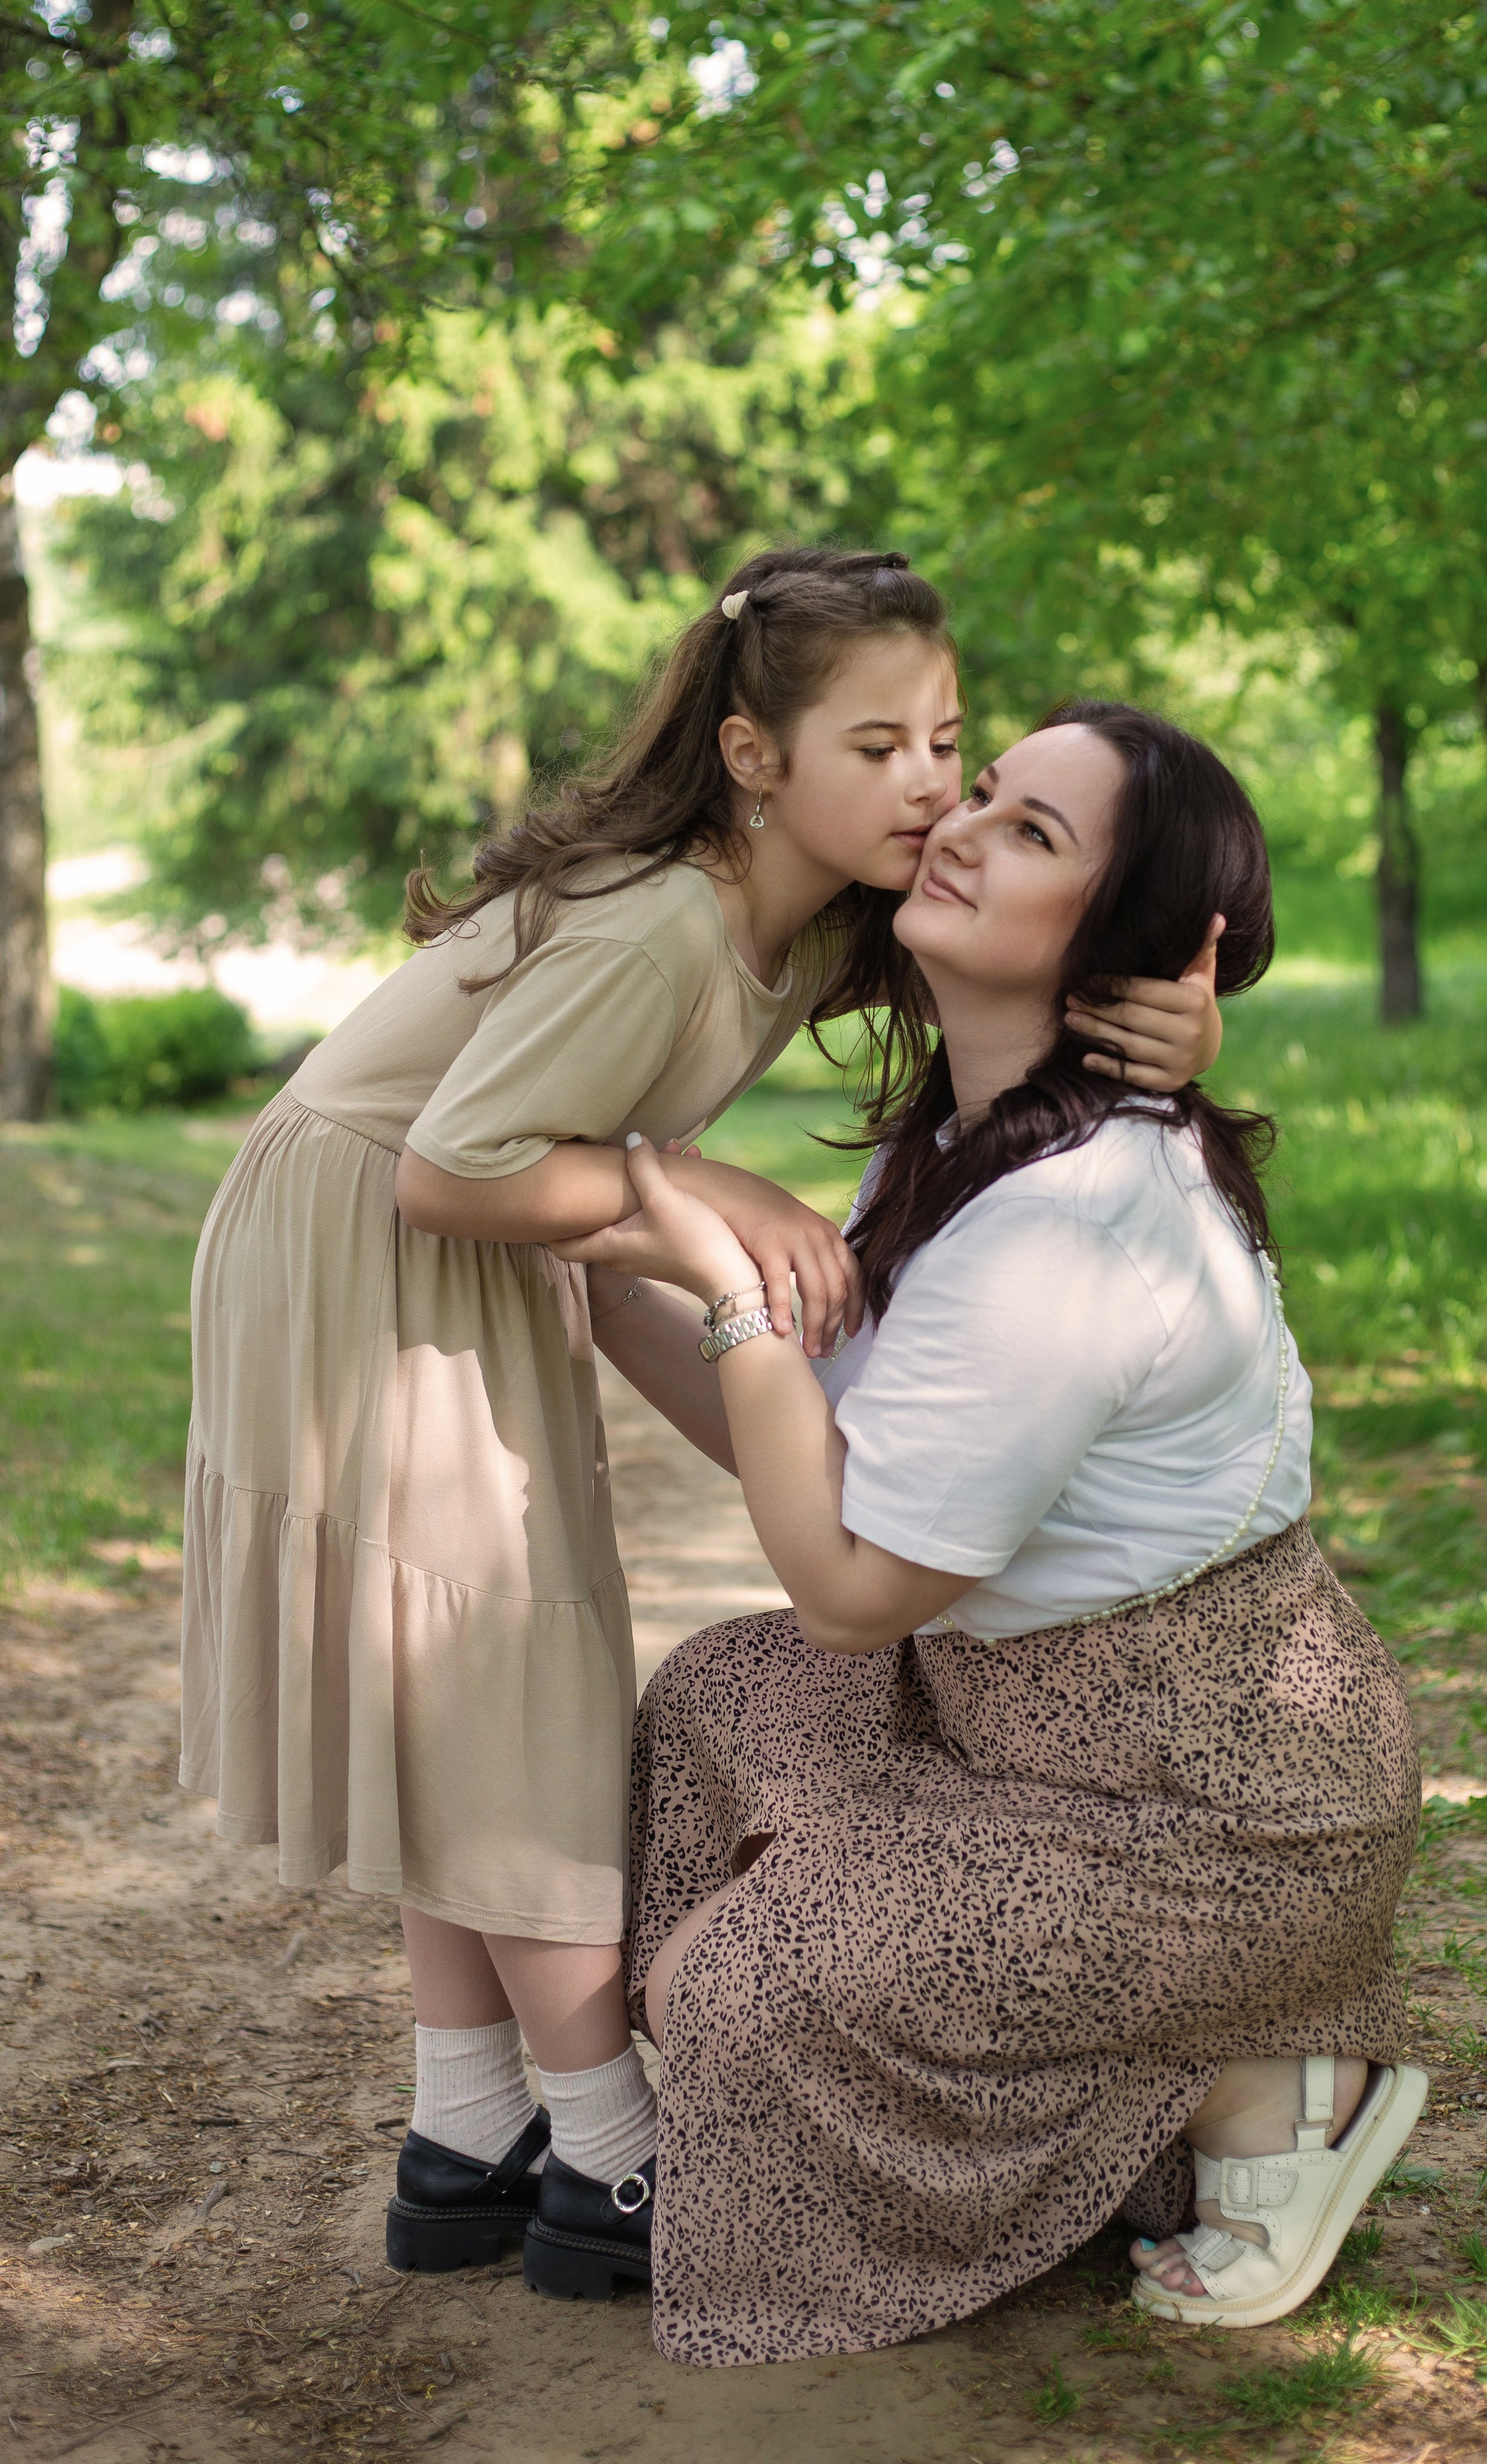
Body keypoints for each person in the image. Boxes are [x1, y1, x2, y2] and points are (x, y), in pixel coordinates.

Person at [179, 552, 1221, 2278]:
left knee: (475, 1689)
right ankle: (609, 2154)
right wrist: (710, 1182)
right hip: (371, 1243)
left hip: (420, 1246)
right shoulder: (666, 922)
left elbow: (1031, 964)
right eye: (876, 743)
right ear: (754, 757)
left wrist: (1180, 1006)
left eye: (947, 742)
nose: (930, 787)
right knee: (518, 1685)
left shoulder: (806, 917)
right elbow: (456, 1164)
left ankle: (465, 2133)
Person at [559, 700, 1426, 2363]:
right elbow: (817, 1456)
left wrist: (733, 1288)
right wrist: (603, 1271)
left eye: (1034, 833)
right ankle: (1119, 2089)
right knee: (712, 1706)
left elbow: (850, 1581)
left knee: (730, 1991)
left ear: (1128, 952)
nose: (958, 821)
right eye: (988, 792)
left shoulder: (1076, 1229)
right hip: (1007, 1735)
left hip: (1209, 1820)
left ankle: (1257, 2078)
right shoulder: (951, 1142)